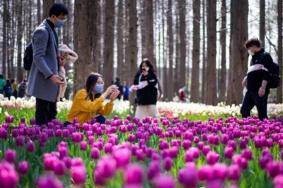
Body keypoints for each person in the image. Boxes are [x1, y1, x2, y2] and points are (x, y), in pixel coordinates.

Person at [27, 3, 68, 126]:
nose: (63, 21)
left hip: (51, 82)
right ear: (53, 16)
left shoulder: (51, 30)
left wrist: (58, 60)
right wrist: (50, 75)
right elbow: (38, 57)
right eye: (61, 18)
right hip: (44, 81)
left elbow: (47, 55)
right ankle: (40, 142)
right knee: (43, 115)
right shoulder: (42, 31)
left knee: (51, 113)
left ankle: (49, 141)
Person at [241, 38, 273, 120]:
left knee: (262, 114)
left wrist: (263, 87)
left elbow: (267, 73)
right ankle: (247, 128)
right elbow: (253, 71)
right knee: (244, 110)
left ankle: (267, 131)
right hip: (250, 90)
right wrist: (246, 78)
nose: (248, 50)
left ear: (254, 46)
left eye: (249, 48)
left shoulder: (265, 55)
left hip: (259, 90)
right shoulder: (253, 58)